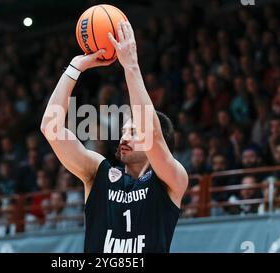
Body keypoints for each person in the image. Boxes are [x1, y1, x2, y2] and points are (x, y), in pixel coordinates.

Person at [40, 21, 188, 253]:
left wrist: (131, 66)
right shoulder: (98, 173)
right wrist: (74, 68)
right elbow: (50, 127)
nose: (124, 138)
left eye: (133, 131)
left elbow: (153, 134)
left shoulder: (172, 180)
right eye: (123, 131)